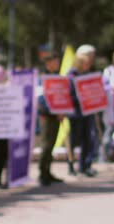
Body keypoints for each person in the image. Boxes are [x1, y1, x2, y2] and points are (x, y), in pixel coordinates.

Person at [67, 49, 98, 177]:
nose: (88, 65)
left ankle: (84, 165)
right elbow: (69, 94)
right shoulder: (71, 76)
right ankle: (70, 164)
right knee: (74, 140)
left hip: (87, 112)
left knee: (87, 139)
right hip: (75, 113)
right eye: (85, 63)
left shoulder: (87, 75)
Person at [37, 52, 64, 186]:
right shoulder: (42, 78)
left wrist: (63, 110)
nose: (57, 64)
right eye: (55, 61)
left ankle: (48, 171)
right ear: (48, 63)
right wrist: (53, 110)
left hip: (57, 116)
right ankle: (42, 173)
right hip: (47, 116)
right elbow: (41, 99)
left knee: (52, 144)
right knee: (46, 145)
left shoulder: (57, 77)